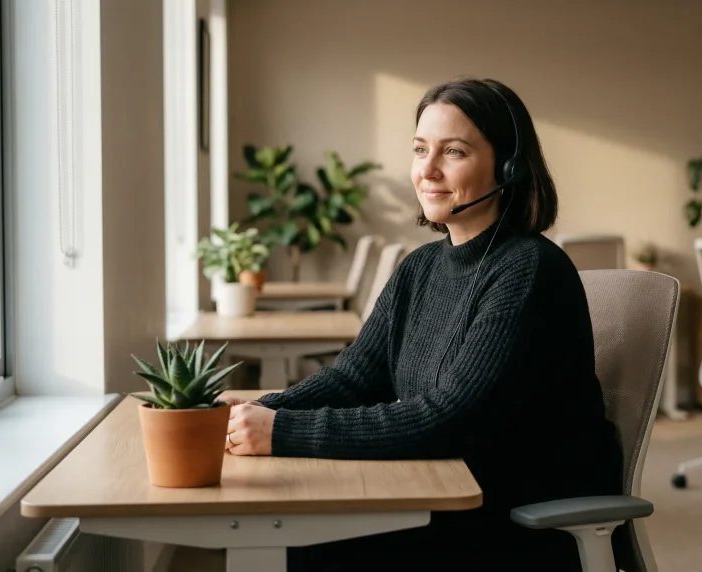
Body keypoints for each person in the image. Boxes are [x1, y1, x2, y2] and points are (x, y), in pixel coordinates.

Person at [220, 77, 624, 572]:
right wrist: (257, 411)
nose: (427, 171)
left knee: (297, 543)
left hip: (514, 520)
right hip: (446, 492)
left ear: (508, 167)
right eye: (419, 150)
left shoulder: (528, 270)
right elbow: (354, 378)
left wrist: (281, 431)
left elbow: (448, 419)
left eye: (452, 152)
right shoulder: (421, 266)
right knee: (293, 526)